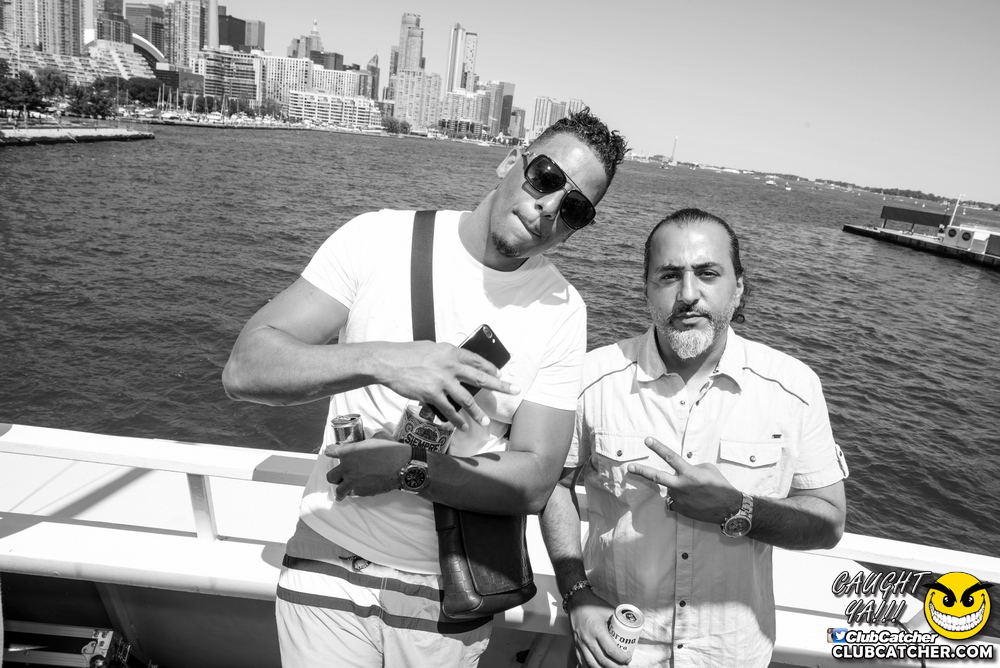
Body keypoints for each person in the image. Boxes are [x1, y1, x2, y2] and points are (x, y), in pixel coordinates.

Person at [222, 109, 628, 667]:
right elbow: (246, 369)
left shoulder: (561, 310)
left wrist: (406, 469)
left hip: (452, 590)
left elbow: (536, 480)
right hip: (330, 561)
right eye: (546, 177)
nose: (550, 207)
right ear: (511, 161)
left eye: (576, 208)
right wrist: (387, 361)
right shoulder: (377, 237)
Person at [540, 208, 849, 667]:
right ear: (646, 288)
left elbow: (829, 521)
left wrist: (736, 508)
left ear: (738, 286)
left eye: (707, 273)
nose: (688, 294)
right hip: (615, 648)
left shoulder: (793, 388)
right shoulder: (593, 379)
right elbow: (553, 485)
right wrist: (575, 592)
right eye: (669, 276)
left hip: (730, 655)